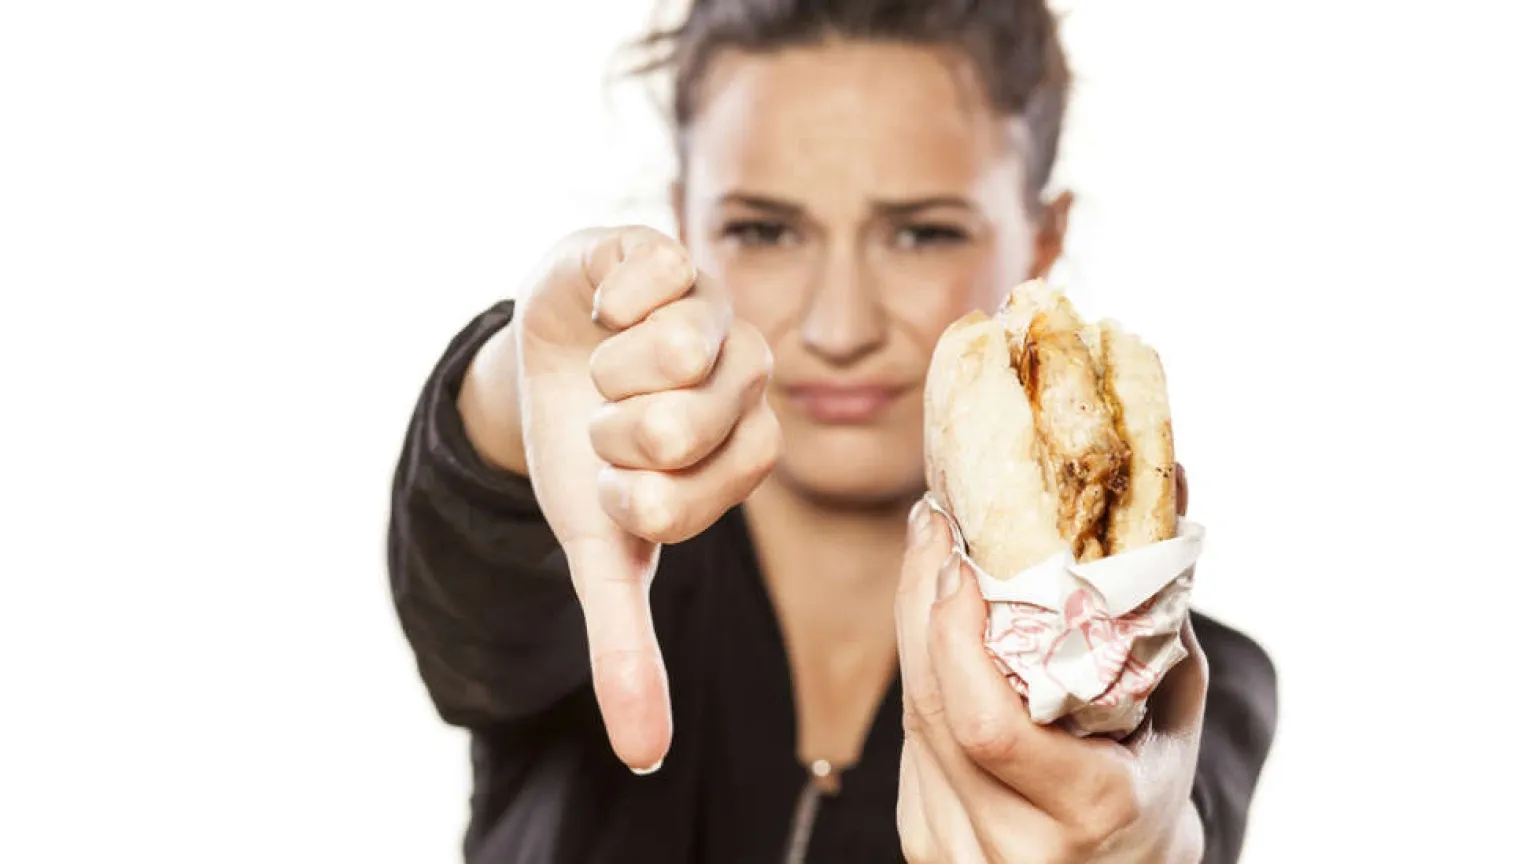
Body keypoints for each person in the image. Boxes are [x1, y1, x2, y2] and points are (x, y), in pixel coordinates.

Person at [388, 1, 1278, 861]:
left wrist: (1143, 845)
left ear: (1043, 242)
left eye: (921, 234)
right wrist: (510, 389)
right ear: (686, 224)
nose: (839, 327)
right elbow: (473, 557)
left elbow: (1166, 812)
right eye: (765, 230)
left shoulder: (1158, 683)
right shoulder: (575, 580)